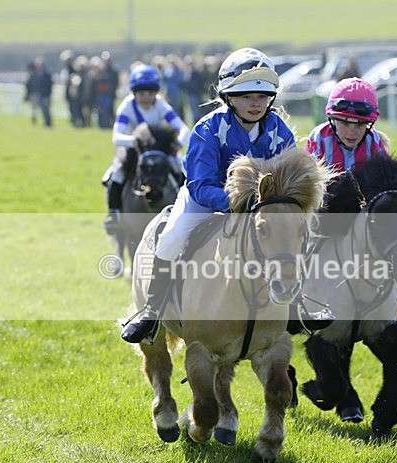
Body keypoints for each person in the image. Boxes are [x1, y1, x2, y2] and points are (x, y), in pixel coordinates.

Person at [121, 47, 323, 343]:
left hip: (264, 209)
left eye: (263, 96)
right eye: (246, 97)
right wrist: (238, 204)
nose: (256, 103)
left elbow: (291, 178)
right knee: (171, 239)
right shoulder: (207, 128)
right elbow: (200, 186)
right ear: (229, 97)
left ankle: (298, 305)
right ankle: (152, 312)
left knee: (299, 237)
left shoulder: (279, 130)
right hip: (205, 201)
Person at [305, 77, 397, 316]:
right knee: (299, 241)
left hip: (361, 216)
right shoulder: (318, 138)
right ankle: (297, 298)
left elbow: (386, 185)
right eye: (345, 123)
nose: (352, 131)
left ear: (370, 123)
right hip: (322, 213)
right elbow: (310, 183)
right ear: (331, 119)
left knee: (395, 235)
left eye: (359, 124)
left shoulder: (375, 141)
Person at [101, 63, 190, 234]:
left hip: (160, 149)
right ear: (134, 93)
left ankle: (186, 210)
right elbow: (117, 137)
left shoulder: (161, 105)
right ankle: (113, 214)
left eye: (150, 93)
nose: (146, 98)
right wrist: (137, 142)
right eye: (142, 93)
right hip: (134, 150)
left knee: (182, 168)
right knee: (117, 173)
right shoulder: (127, 106)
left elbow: (183, 129)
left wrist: (178, 142)